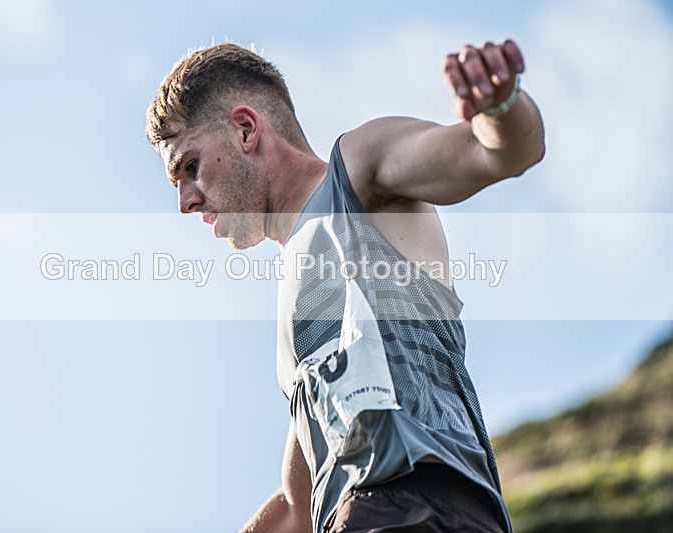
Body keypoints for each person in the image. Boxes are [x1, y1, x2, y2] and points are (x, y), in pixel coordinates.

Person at [146, 38, 544, 533]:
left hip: (423, 505)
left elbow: (495, 153)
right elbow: (297, 508)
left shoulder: (356, 170)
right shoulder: (293, 319)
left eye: (188, 167)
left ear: (246, 129)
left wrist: (500, 106)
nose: (185, 201)